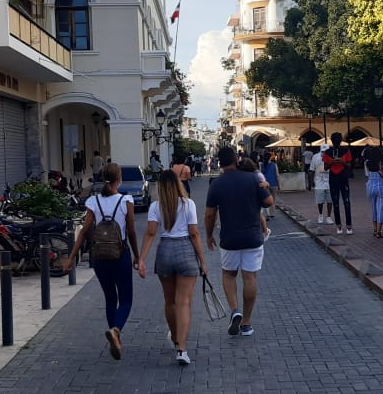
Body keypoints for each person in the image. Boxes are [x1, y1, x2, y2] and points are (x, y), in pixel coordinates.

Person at [62, 163, 139, 360]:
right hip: (120, 255)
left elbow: (84, 231)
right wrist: (137, 256)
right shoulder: (125, 200)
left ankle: (115, 339)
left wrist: (71, 258)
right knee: (126, 299)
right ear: (119, 179)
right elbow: (131, 231)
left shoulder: (94, 201)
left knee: (110, 299)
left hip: (100, 258)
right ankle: (116, 330)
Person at [137, 170, 208, 365]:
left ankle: (175, 338)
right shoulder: (188, 204)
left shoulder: (155, 206)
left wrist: (141, 259)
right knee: (184, 302)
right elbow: (194, 233)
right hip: (185, 250)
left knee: (170, 301)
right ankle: (182, 350)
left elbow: (151, 232)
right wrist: (202, 261)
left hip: (165, 250)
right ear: (178, 184)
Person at [205, 147, 272, 337]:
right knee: (249, 277)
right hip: (253, 237)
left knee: (229, 274)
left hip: (229, 239)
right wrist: (264, 187)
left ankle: (235, 310)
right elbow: (268, 202)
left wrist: (209, 235)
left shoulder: (216, 184)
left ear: (219, 163)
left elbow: (209, 214)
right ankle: (247, 323)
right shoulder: (253, 179)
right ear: (236, 159)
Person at [322, 132, 353, 235]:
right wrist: (332, 162)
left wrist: (342, 162)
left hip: (341, 177)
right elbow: (325, 167)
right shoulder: (328, 152)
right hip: (335, 177)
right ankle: (344, 226)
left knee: (344, 202)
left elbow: (349, 165)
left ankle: (342, 226)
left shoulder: (345, 151)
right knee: (340, 203)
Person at [365, 156, 383, 238]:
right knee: (381, 209)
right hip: (380, 187)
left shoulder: (368, 162)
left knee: (374, 209)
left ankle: (375, 229)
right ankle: (379, 231)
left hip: (370, 186)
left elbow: (367, 175)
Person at [261, 155, 280, 220]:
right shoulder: (274, 165)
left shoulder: (262, 165)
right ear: (270, 158)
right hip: (274, 184)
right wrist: (279, 184)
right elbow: (277, 175)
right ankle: (272, 213)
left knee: (266, 199)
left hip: (265, 184)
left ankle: (268, 214)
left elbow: (261, 175)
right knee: (273, 199)